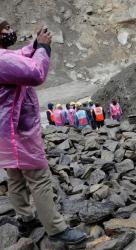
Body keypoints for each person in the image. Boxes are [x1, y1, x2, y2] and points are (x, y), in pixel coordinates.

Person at [0, 19, 87, 246]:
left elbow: (19, 56)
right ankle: (56, 229)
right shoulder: (2, 60)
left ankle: (26, 219)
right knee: (39, 178)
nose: (10, 32)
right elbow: (35, 73)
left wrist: (35, 44)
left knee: (15, 177)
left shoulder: (5, 57)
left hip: (5, 132)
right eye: (4, 29)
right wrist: (44, 48)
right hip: (19, 131)